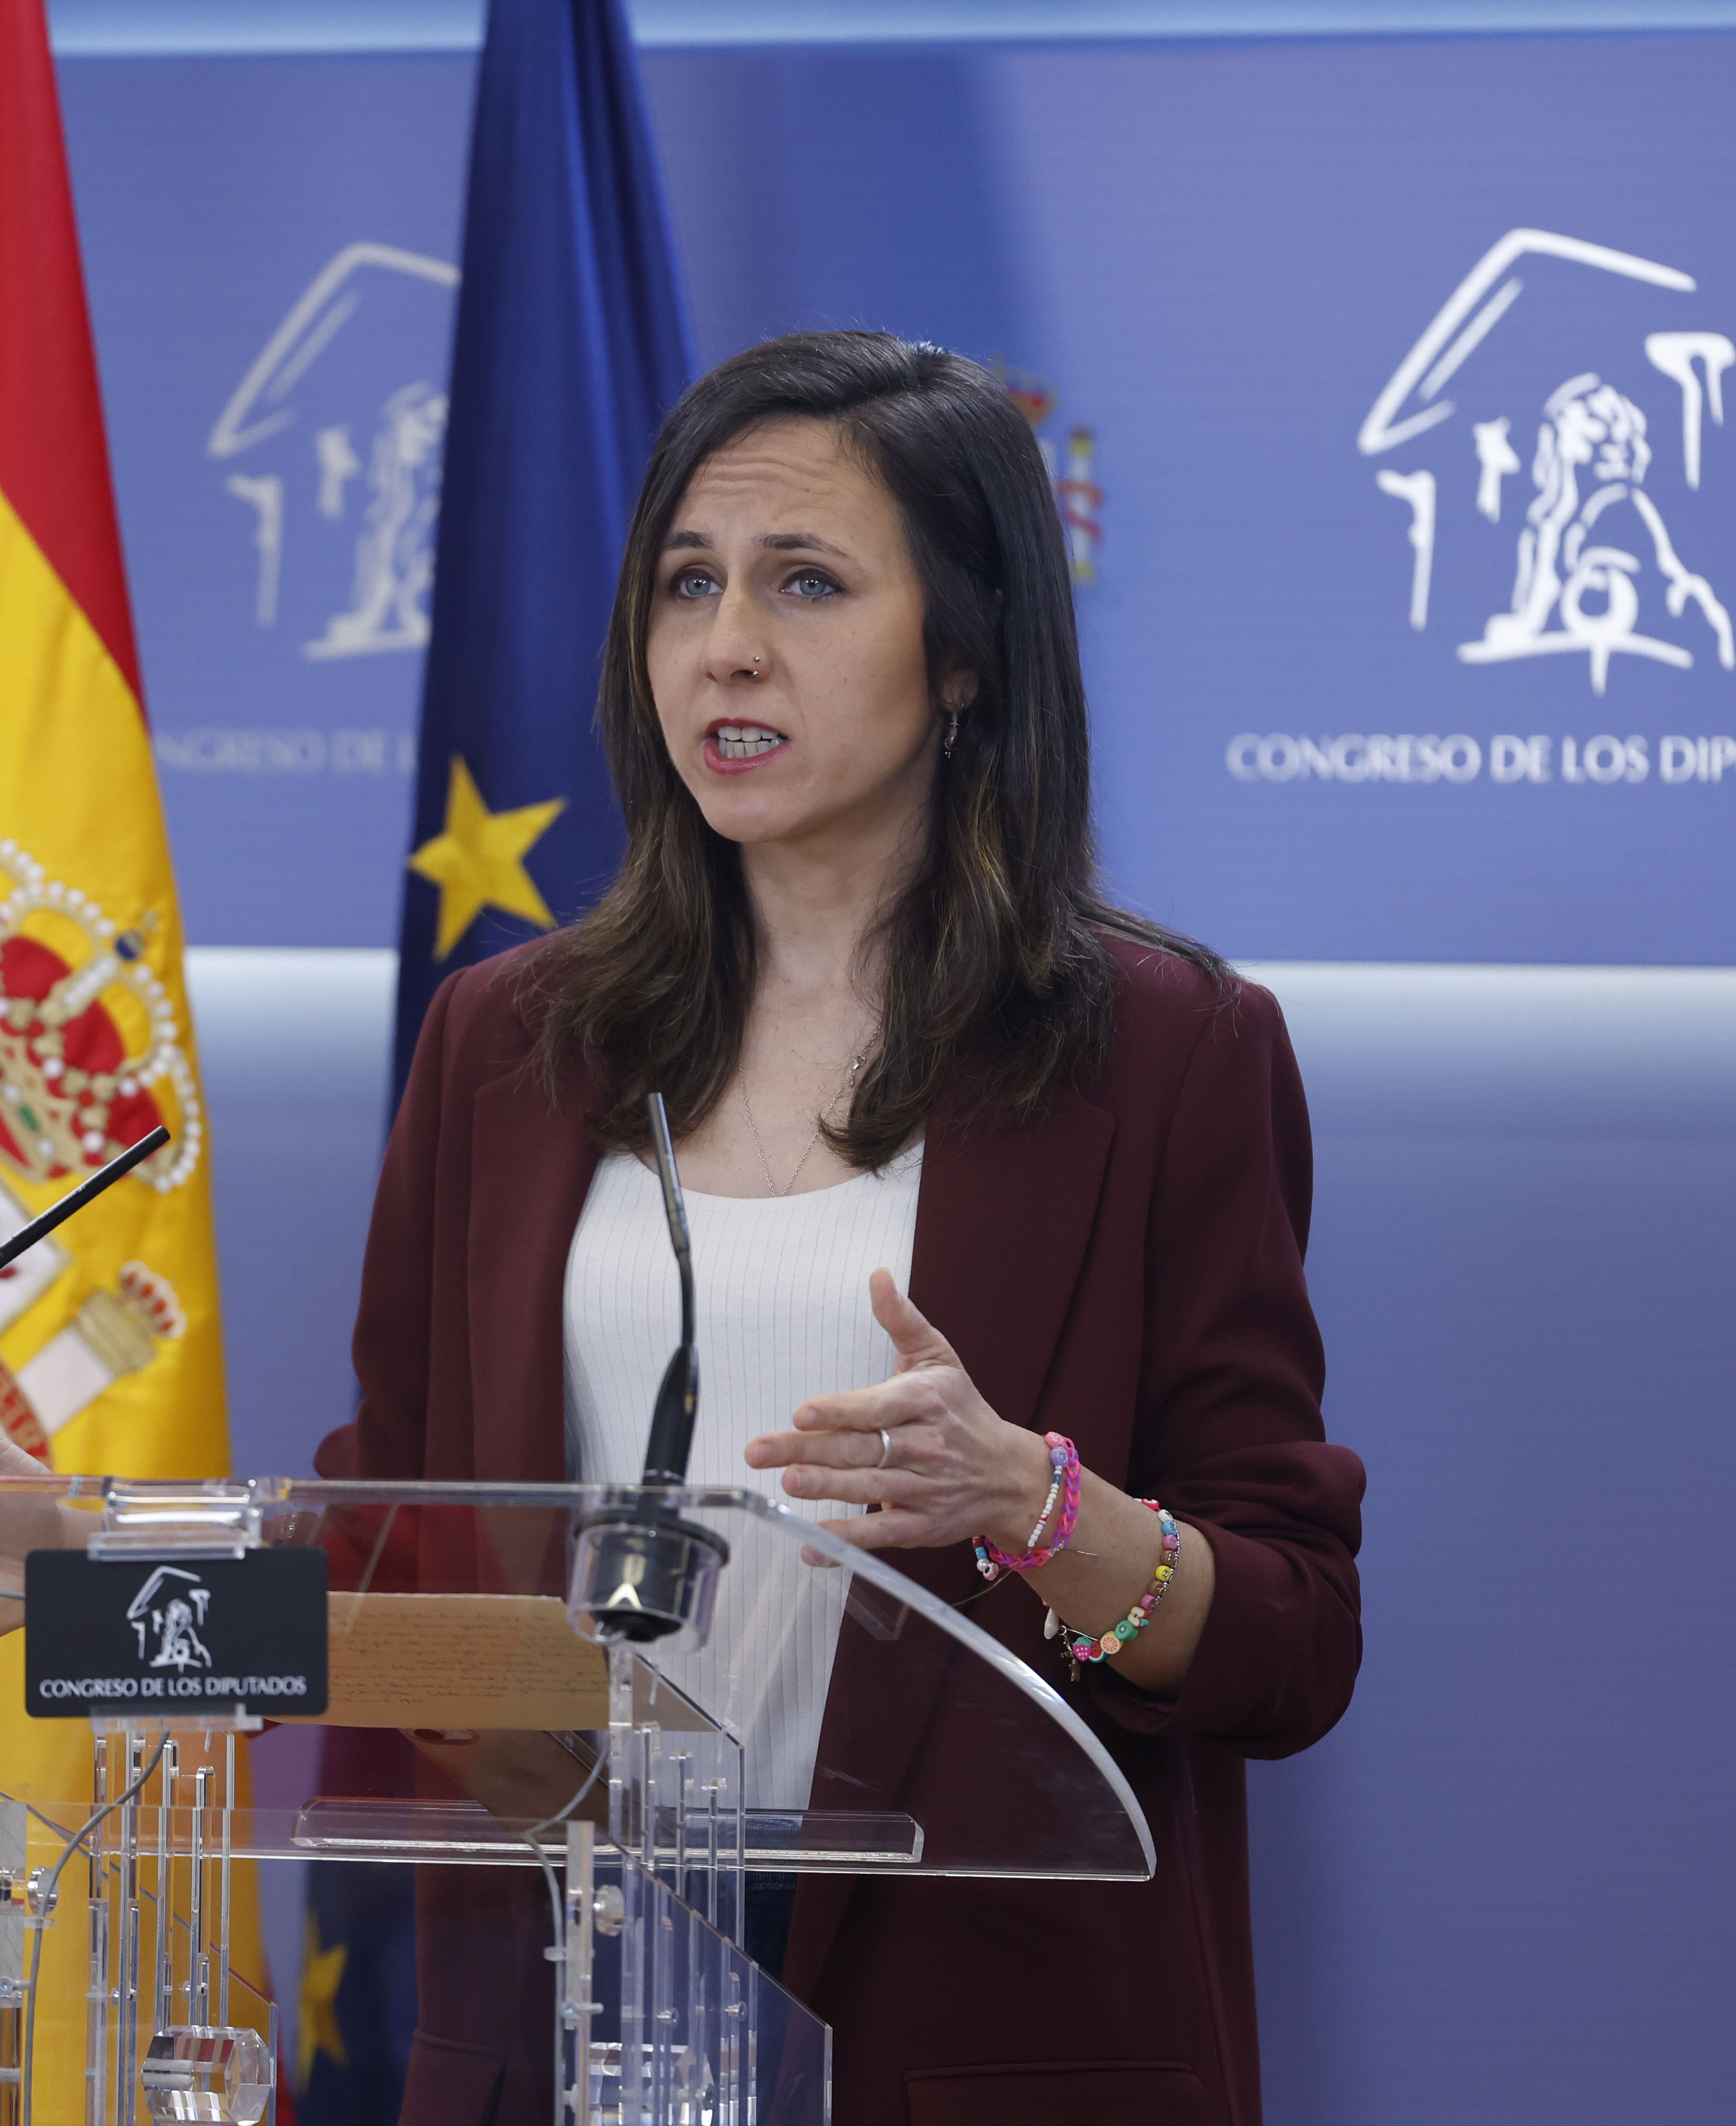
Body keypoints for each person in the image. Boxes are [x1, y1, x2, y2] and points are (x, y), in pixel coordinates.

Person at [322, 330, 1363, 2125]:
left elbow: (1293, 1639)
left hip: (989, 2040)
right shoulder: (507, 1044)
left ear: (964, 656)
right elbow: (393, 1551)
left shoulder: (1171, 1054)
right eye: (689, 584)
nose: (726, 645)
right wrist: (59, 1575)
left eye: (806, 583)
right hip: (571, 2012)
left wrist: (1031, 1503)